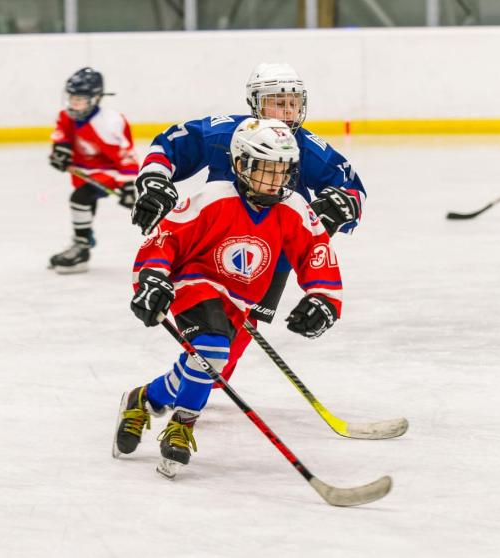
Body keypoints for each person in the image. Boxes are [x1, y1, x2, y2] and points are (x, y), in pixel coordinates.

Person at [112, 118, 344, 478]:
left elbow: (315, 251)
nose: (275, 180)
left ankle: (145, 399)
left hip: (242, 299)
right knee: (214, 350)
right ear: (240, 164)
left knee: (210, 364)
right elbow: (165, 239)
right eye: (265, 170)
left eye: (282, 171)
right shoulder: (212, 198)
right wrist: (153, 277)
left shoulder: (294, 208)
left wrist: (323, 298)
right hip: (195, 282)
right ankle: (182, 425)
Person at [130, 62, 365, 385]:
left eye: (292, 103)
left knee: (219, 371)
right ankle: (174, 391)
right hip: (210, 249)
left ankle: (179, 387)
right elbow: (174, 143)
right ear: (255, 102)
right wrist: (156, 178)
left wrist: (342, 204)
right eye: (276, 102)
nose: (286, 111)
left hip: (269, 258)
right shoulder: (224, 133)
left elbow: (350, 185)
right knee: (210, 345)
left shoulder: (304, 147)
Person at [47, 67, 139, 273]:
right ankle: (83, 240)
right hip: (84, 170)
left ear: (95, 98)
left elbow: (126, 155)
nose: (73, 104)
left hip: (109, 172)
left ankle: (82, 249)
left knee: (80, 199)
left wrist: (128, 186)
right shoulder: (67, 115)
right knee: (85, 205)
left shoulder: (109, 122)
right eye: (71, 98)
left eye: (79, 100)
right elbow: (61, 132)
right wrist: (60, 150)